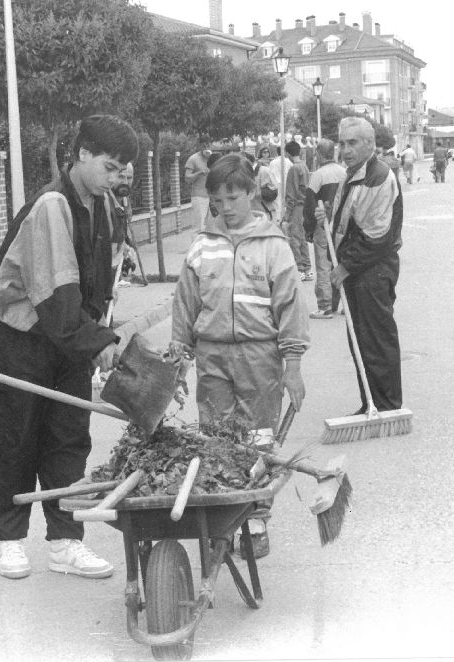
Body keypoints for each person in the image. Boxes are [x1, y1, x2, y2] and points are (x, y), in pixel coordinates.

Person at [0, 114, 137, 580]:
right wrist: (99, 344)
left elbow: (90, 288)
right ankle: (11, 542)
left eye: (121, 170)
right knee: (16, 440)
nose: (115, 178)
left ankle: (65, 542)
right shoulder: (53, 205)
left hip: (68, 340)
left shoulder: (101, 204)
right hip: (27, 341)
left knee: (69, 440)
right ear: (83, 153)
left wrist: (100, 331)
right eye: (109, 166)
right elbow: (55, 297)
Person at [171, 154, 309, 558]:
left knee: (257, 437)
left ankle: (256, 519)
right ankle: (223, 521)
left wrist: (294, 365)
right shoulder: (201, 245)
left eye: (233, 197)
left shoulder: (274, 246)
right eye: (217, 199)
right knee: (216, 437)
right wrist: (179, 357)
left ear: (251, 193)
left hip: (259, 355)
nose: (225, 207)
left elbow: (289, 307)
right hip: (211, 355)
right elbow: (185, 305)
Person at [331, 117, 404, 413]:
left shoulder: (377, 176)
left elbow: (377, 235)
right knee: (361, 340)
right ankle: (370, 403)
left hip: (372, 272)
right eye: (342, 143)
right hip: (360, 272)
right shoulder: (355, 174)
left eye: (352, 143)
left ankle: (385, 406)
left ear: (370, 144)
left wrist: (345, 266)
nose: (345, 150)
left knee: (375, 340)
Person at [303, 138, 347, 319]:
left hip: (323, 225)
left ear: (319, 154)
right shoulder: (345, 173)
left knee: (323, 265)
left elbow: (310, 205)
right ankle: (344, 304)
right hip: (342, 227)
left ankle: (325, 306)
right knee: (341, 264)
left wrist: (309, 228)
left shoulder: (318, 175)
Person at [282, 141, 312, 281]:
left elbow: (291, 193)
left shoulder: (294, 169)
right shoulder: (304, 166)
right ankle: (307, 268)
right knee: (302, 237)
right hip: (305, 205)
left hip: (296, 207)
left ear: (287, 153)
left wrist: (287, 214)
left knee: (294, 237)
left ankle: (299, 268)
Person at [184, 146, 212, 229]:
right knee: (199, 226)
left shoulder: (212, 158)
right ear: (202, 147)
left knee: (211, 226)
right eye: (206, 152)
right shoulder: (193, 159)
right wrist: (199, 173)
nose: (208, 154)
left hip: (212, 197)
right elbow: (187, 178)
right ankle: (197, 242)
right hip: (199, 196)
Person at [251, 148, 279, 221]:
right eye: (264, 152)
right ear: (261, 153)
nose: (266, 153)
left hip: (265, 207)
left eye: (267, 152)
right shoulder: (259, 163)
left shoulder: (270, 161)